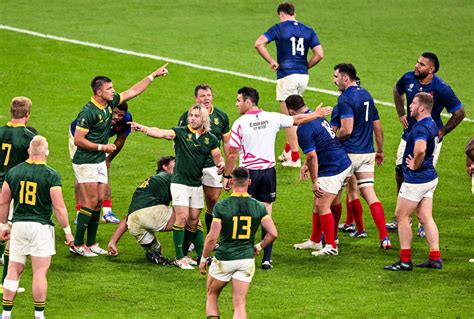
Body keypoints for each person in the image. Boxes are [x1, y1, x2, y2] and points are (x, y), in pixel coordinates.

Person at [223, 87, 331, 269]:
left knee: (245, 213)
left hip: (249, 174)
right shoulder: (272, 117)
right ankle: (266, 259)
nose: (236, 103)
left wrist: (227, 175)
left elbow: (233, 154)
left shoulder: (240, 123)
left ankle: (243, 254)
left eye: (238, 100)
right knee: (266, 214)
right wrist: (317, 114)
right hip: (268, 173)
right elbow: (298, 119)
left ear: (248, 102)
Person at [70, 63, 169, 257]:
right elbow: (78, 140)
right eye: (109, 88)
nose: (113, 91)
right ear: (99, 92)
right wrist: (102, 147)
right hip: (85, 160)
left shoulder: (109, 103)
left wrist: (153, 75)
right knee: (89, 201)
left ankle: (91, 243)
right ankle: (77, 244)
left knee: (98, 201)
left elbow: (133, 91)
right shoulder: (88, 112)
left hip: (98, 159)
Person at [129, 104, 225, 270]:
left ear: (203, 118)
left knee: (194, 220)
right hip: (180, 183)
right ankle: (180, 257)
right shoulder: (180, 133)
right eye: (191, 115)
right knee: (181, 217)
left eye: (196, 116)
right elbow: (161, 132)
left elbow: (217, 156)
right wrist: (143, 128)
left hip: (196, 184)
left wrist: (221, 164)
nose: (192, 118)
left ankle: (191, 254)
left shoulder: (210, 138)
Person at [388, 52, 465, 231]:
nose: (417, 66)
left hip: (429, 139)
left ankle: (423, 221)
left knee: (421, 175)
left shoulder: (441, 88)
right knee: (400, 171)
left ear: (431, 69)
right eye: (417, 62)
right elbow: (396, 90)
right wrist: (401, 114)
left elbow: (460, 112)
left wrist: (443, 131)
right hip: (408, 136)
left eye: (422, 64)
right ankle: (401, 215)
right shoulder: (408, 78)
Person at [0, 136, 74, 319]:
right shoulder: (51, 174)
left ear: (28, 151)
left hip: (18, 225)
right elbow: (59, 207)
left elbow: (3, 202)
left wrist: (3, 225)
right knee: (39, 273)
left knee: (13, 271)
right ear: (46, 152)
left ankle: (6, 314)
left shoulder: (14, 172)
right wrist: (67, 232)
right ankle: (39, 315)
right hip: (40, 228)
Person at [199, 167, 277, 319]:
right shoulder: (259, 206)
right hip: (246, 259)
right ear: (249, 182)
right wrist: (259, 246)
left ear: (232, 181)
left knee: (212, 294)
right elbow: (273, 233)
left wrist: (203, 259)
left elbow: (212, 237)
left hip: (225, 258)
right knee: (240, 303)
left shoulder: (222, 206)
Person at [255, 2, 324, 168]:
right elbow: (320, 54)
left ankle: (294, 157)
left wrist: (272, 61)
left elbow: (259, 43)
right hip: (303, 77)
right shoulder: (308, 30)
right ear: (294, 13)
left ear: (281, 14)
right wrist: (305, 66)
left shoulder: (279, 28)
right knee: (295, 110)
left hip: (286, 76)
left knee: (289, 118)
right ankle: (287, 150)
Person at [331, 63, 390, 248]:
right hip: (367, 152)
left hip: (349, 153)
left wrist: (332, 142)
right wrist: (380, 150)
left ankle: (332, 238)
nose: (334, 80)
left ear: (345, 78)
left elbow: (346, 130)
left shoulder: (344, 99)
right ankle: (384, 238)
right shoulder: (367, 95)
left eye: (336, 77)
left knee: (335, 195)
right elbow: (377, 127)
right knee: (370, 194)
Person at [285, 95, 352, 256]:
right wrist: (305, 165)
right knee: (329, 202)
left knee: (322, 205)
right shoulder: (317, 116)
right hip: (343, 163)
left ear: (291, 112)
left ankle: (331, 245)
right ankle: (316, 240)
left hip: (332, 168)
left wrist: (315, 181)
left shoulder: (304, 128)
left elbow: (312, 156)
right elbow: (320, 144)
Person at [384, 93, 442, 271]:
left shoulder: (420, 128)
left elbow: (421, 149)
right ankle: (435, 257)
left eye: (414, 103)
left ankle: (405, 260)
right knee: (425, 217)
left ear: (422, 108)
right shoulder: (432, 123)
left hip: (417, 180)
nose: (410, 105)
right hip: (430, 177)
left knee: (402, 216)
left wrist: (415, 165)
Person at [177, 84, 230, 233]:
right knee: (191, 204)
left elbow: (226, 142)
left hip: (211, 165)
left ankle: (210, 236)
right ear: (196, 98)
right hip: (192, 166)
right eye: (202, 96)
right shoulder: (186, 117)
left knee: (212, 201)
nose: (206, 98)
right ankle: (191, 236)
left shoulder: (221, 116)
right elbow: (178, 142)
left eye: (208, 95)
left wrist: (227, 166)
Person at [69, 102, 133, 224]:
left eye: (120, 115)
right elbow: (82, 138)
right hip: (80, 137)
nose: (117, 117)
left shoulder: (126, 119)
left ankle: (107, 211)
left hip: (100, 138)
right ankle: (80, 212)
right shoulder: (96, 116)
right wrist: (98, 150)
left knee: (103, 169)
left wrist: (108, 159)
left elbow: (121, 139)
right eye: (115, 113)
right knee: (82, 172)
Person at [107, 156, 175, 265]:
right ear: (165, 167)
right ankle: (187, 255)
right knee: (189, 218)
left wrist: (113, 242)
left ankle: (154, 253)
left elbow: (128, 217)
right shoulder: (169, 177)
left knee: (156, 250)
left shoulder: (150, 183)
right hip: (151, 213)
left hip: (134, 221)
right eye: (175, 162)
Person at [0, 97, 37, 293]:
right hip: (14, 190)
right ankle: (6, 282)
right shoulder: (28, 137)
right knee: (9, 234)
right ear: (27, 114)